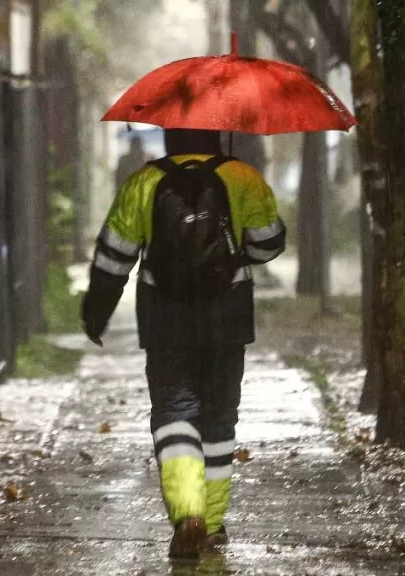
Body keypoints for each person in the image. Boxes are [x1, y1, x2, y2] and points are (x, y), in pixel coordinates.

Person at [81, 128, 286, 558]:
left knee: (174, 412)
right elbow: (269, 244)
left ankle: (186, 513)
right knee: (218, 418)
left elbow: (114, 255)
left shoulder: (144, 181)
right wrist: (235, 249)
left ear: (170, 133)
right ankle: (210, 524)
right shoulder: (241, 176)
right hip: (227, 317)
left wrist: (96, 312)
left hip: (165, 317)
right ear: (215, 131)